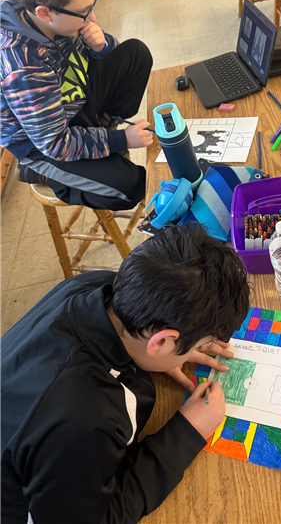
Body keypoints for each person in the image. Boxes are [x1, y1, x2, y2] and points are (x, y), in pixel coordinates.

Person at [0, 224, 250, 524]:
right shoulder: (85, 420)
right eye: (202, 343)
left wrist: (171, 352)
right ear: (160, 340)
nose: (204, 348)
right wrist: (186, 433)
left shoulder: (96, 286)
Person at [0, 0, 153, 210]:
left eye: (91, 4)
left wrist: (100, 47)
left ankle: (99, 129)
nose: (92, 16)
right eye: (83, 12)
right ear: (44, 13)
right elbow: (55, 143)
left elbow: (105, 58)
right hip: (43, 141)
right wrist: (120, 141)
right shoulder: (24, 67)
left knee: (136, 54)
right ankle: (45, 173)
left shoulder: (46, 11)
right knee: (130, 187)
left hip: (70, 103)